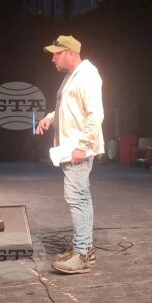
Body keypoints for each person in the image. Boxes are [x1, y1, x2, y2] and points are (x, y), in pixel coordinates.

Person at [35, 35, 104, 274]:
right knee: (81, 197)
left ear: (71, 53)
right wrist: (49, 118)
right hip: (73, 147)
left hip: (78, 148)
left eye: (57, 54)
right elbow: (69, 109)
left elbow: (96, 114)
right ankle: (85, 250)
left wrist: (82, 146)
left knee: (76, 197)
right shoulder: (72, 77)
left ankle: (82, 254)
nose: (53, 59)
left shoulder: (87, 75)